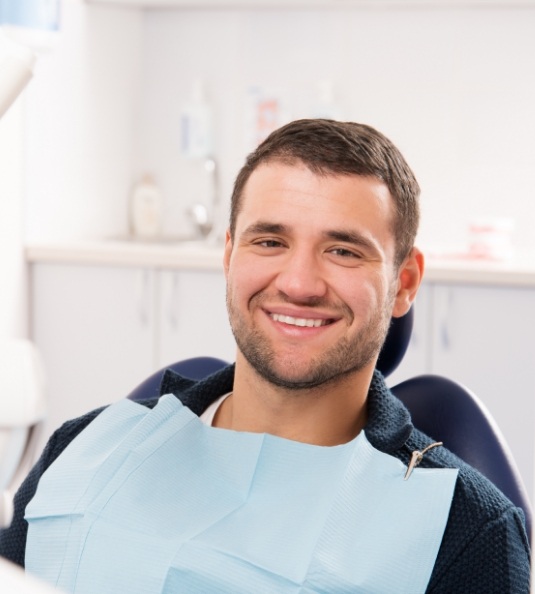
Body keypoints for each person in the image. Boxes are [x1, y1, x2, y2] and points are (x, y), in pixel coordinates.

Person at [0, 119, 530, 593]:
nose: (298, 284)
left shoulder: (467, 531)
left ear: (403, 282)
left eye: (342, 250)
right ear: (230, 255)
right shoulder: (83, 446)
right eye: (270, 241)